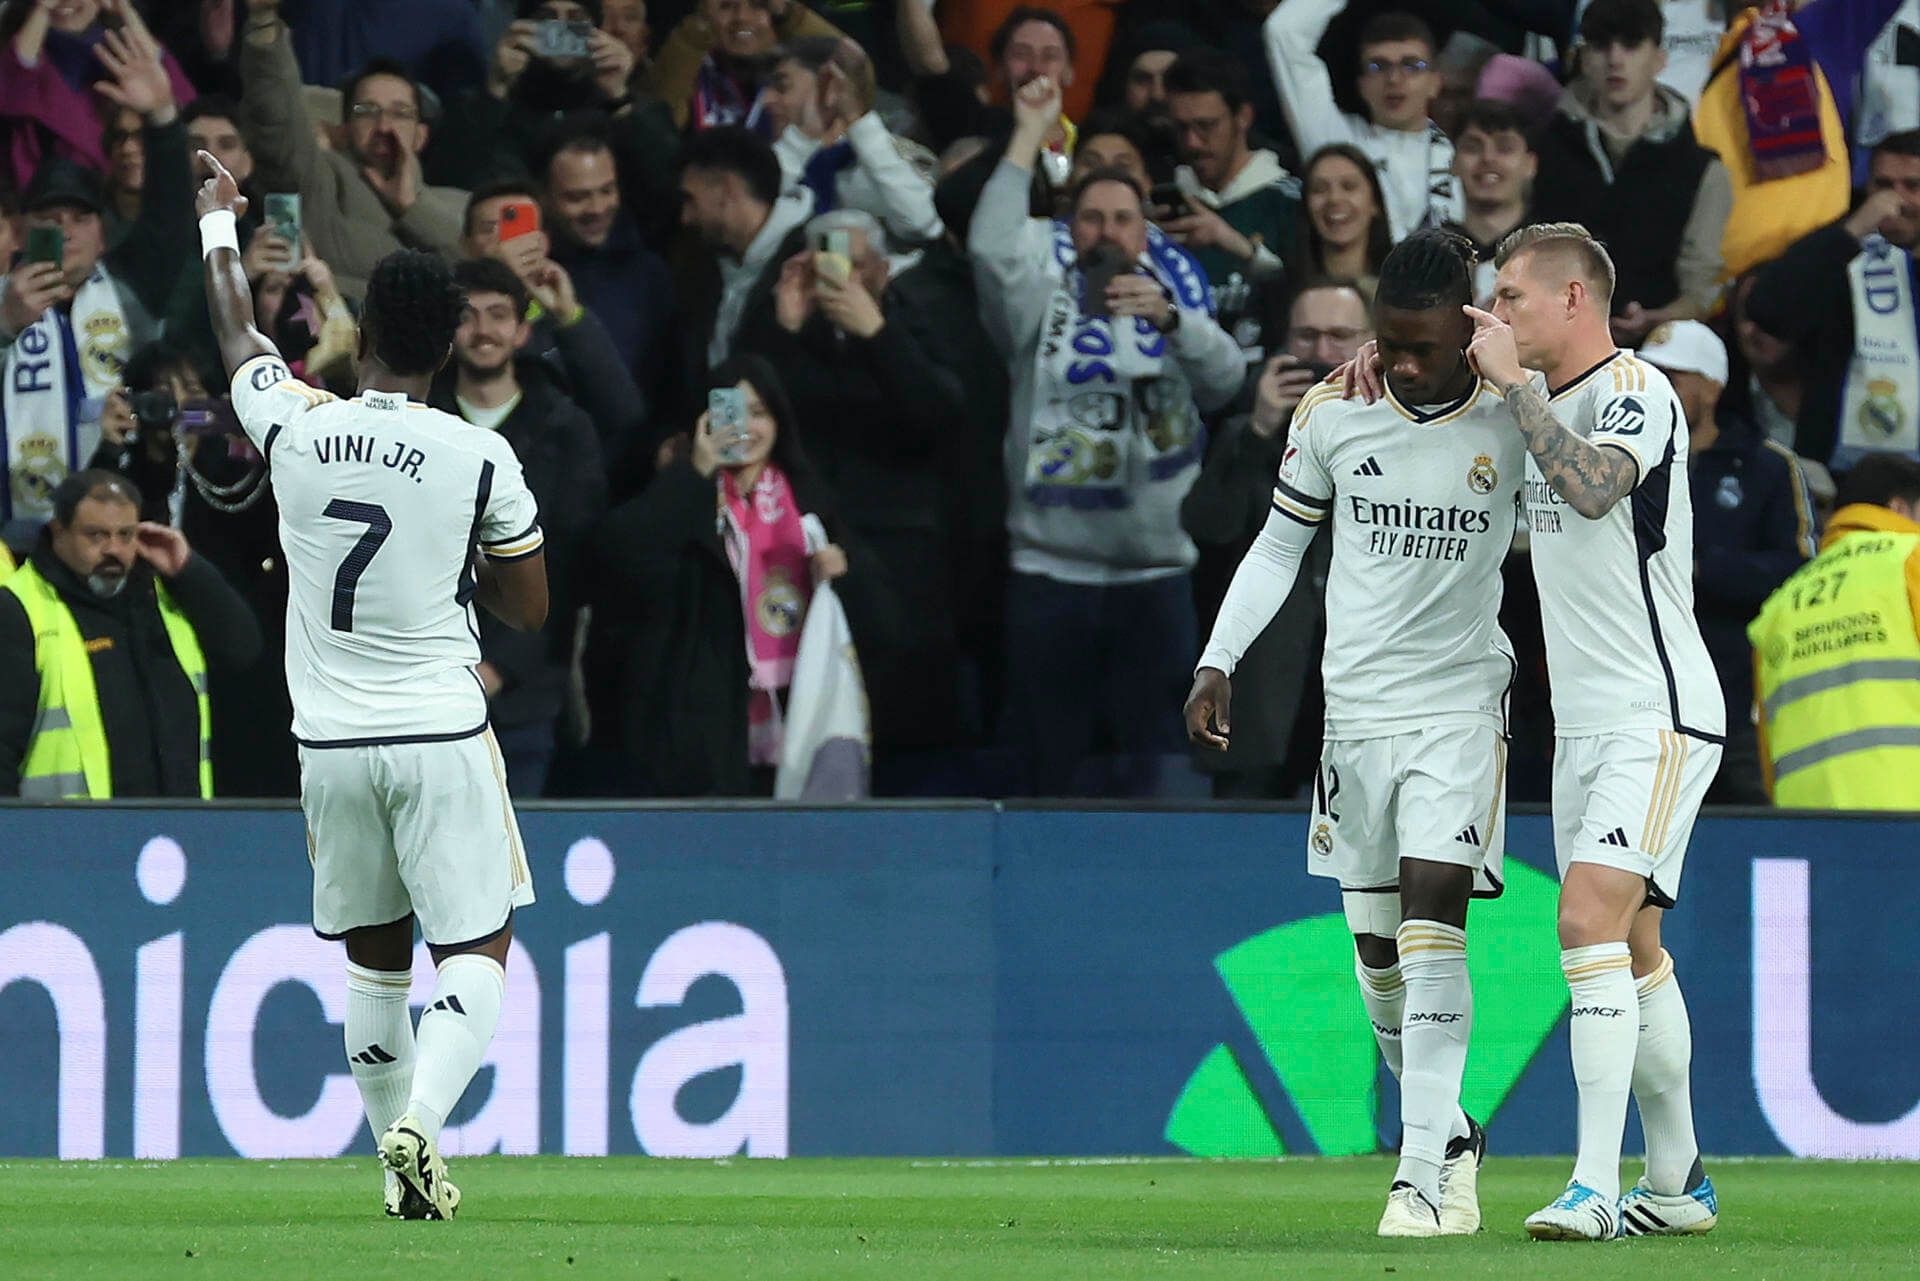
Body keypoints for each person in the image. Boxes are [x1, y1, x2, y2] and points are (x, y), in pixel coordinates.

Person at [198, 150, 549, 1220]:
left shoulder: (296, 423)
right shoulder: (478, 456)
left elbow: (235, 337)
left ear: (360, 329)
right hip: (439, 729)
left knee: (375, 966)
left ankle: (401, 1192)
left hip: (331, 744)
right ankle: (421, 1125)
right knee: (479, 950)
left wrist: (218, 224)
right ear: (448, 342)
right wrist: (468, 565)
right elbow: (530, 610)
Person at [1188, 231, 1521, 1236]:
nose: (1405, 364)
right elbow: (1279, 545)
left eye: (1423, 347)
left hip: (1460, 706)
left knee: (1433, 927)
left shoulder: (1512, 412)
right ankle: (1450, 1132)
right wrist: (1218, 658)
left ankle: (1420, 1175)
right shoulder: (1336, 410)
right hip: (1356, 716)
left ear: (1470, 331)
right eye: (1392, 343)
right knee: (1378, 961)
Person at [1473, 222, 1721, 1239]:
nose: (1499, 317)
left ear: (1575, 298)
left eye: (1513, 299)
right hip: (1585, 727)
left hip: (1655, 714)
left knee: (1583, 923)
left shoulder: (1635, 389)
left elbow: (1592, 485)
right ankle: (1678, 1184)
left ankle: (1591, 1185)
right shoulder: (1532, 400)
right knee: (1636, 944)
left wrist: (1514, 392)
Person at [971, 75, 1242, 797]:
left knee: (1163, 770)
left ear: (1143, 229)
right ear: (1070, 224)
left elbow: (1224, 383)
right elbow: (992, 247)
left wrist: (1172, 323)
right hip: (1049, 574)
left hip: (1156, 579)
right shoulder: (1035, 295)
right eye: (1091, 218)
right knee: (1044, 770)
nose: (1106, 232)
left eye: (1123, 219)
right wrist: (1028, 131)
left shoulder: (1177, 289)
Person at [582, 354, 881, 796]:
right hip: (699, 730)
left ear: (779, 422)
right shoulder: (681, 492)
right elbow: (615, 555)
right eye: (731, 411)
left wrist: (844, 574)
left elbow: (883, 619)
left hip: (798, 717)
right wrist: (695, 470)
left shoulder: (809, 502)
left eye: (758, 412)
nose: (745, 426)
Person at [760, 208, 965, 760]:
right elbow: (758, 420)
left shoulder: (917, 318)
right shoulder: (788, 329)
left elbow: (942, 416)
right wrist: (785, 327)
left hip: (902, 548)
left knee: (904, 711)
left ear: (880, 268)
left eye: (852, 262)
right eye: (826, 260)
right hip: (811, 543)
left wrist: (876, 331)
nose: (839, 276)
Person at [1181, 281, 1371, 800]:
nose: (1322, 353)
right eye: (1306, 337)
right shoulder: (1249, 432)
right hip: (1264, 688)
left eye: (1340, 336)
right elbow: (1207, 527)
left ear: (1372, 342)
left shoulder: (1399, 433)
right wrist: (1261, 431)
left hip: (1357, 684)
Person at [1, 24, 193, 534]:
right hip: (16, 540)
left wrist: (162, 118)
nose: (65, 230)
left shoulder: (131, 287)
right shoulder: (2, 304)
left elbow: (171, 214)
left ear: (104, 235)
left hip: (127, 519)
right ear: (21, 232)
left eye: (79, 217)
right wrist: (3, 328)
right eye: (49, 217)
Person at [434, 258, 605, 795]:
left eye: (498, 315)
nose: (483, 330)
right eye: (469, 316)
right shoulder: (417, 421)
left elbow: (573, 565)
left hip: (526, 693)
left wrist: (500, 669)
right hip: (426, 691)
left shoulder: (565, 427)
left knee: (514, 863)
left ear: (522, 330)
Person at [0, 466, 260, 798]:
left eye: (126, 535)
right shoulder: (19, 608)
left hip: (182, 834)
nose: (114, 549)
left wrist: (189, 570)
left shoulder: (162, 598)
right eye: (96, 535)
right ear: (58, 532)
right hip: (68, 839)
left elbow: (244, 648)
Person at [1636, 320, 1814, 804]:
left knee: (1755, 852)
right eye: (1647, 378)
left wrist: (1699, 571)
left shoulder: (1769, 467)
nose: (1654, 392)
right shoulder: (1622, 463)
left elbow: (1798, 573)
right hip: (1642, 705)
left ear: (1711, 387)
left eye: (1671, 380)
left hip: (1736, 698)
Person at [1527, 0, 1731, 346]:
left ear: (1659, 58)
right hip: (1544, 345)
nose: (1615, 59)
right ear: (1583, 57)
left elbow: (1700, 288)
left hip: (1656, 356)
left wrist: (1657, 320)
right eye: (1601, 45)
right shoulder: (1539, 149)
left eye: (1632, 44)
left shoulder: (1704, 171)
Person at [239, 0, 470, 302]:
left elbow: (479, 279)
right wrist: (264, 22)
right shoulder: (321, 181)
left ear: (421, 135)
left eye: (400, 113)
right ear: (344, 128)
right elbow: (277, 122)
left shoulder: (460, 206)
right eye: (367, 111)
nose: (385, 125)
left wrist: (413, 206)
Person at [1749, 452, 1920, 809]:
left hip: (1810, 834)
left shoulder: (1780, 606)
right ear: (1900, 508)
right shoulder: (1910, 559)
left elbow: (1767, 757)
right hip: (1909, 824)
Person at [1743, 130, 1920, 469]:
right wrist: (1853, 232)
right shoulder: (1840, 252)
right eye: (1883, 185)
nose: (1896, 200)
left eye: (1912, 186)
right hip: (1837, 467)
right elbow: (1767, 308)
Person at [1262, 2, 1460, 240]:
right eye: (1378, 66)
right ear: (1362, 84)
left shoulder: (1464, 158)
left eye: (1411, 65)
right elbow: (1283, 32)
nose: (1394, 79)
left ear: (1435, 82)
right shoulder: (1335, 140)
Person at [674, 125, 814, 398]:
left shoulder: (811, 265)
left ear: (726, 190)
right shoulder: (705, 268)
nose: (685, 217)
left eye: (691, 199)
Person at [0, 0, 196, 192]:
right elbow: (14, 84)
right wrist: (42, 10)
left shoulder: (119, 51)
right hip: (51, 203)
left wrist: (124, 10)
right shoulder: (20, 58)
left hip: (129, 198)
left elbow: (179, 101)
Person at [765, 37, 942, 248]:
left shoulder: (894, 156)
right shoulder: (766, 157)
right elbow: (750, 230)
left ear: (830, 87)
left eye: (782, 87)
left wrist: (862, 126)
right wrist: (802, 139)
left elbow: (923, 224)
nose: (766, 99)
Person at [1161, 49, 1300, 313]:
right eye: (1181, 128)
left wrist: (1240, 247)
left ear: (1243, 117)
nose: (1192, 142)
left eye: (1206, 126)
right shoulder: (1163, 202)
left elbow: (1307, 292)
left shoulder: (1290, 201)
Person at [539, 129, 674, 398]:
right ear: (544, 197)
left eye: (606, 191)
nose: (597, 208)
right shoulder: (526, 277)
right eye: (577, 197)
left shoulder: (650, 274)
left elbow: (669, 380)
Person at [646, 0, 849, 132]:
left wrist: (791, 16)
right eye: (726, 5)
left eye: (759, 4)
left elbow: (853, 73)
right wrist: (694, 37)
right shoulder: (687, 74)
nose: (742, 16)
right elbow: (658, 130)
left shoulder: (805, 76)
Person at [1442, 99, 1535, 302]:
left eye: (1505, 148)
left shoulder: (1554, 252)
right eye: (1473, 148)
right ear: (1453, 163)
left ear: (1530, 164)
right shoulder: (1430, 255)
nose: (1488, 158)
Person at [1296, 144, 1392, 299]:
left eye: (1349, 187)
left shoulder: (1406, 292)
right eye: (1319, 189)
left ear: (1375, 203)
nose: (1334, 198)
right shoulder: (1277, 295)